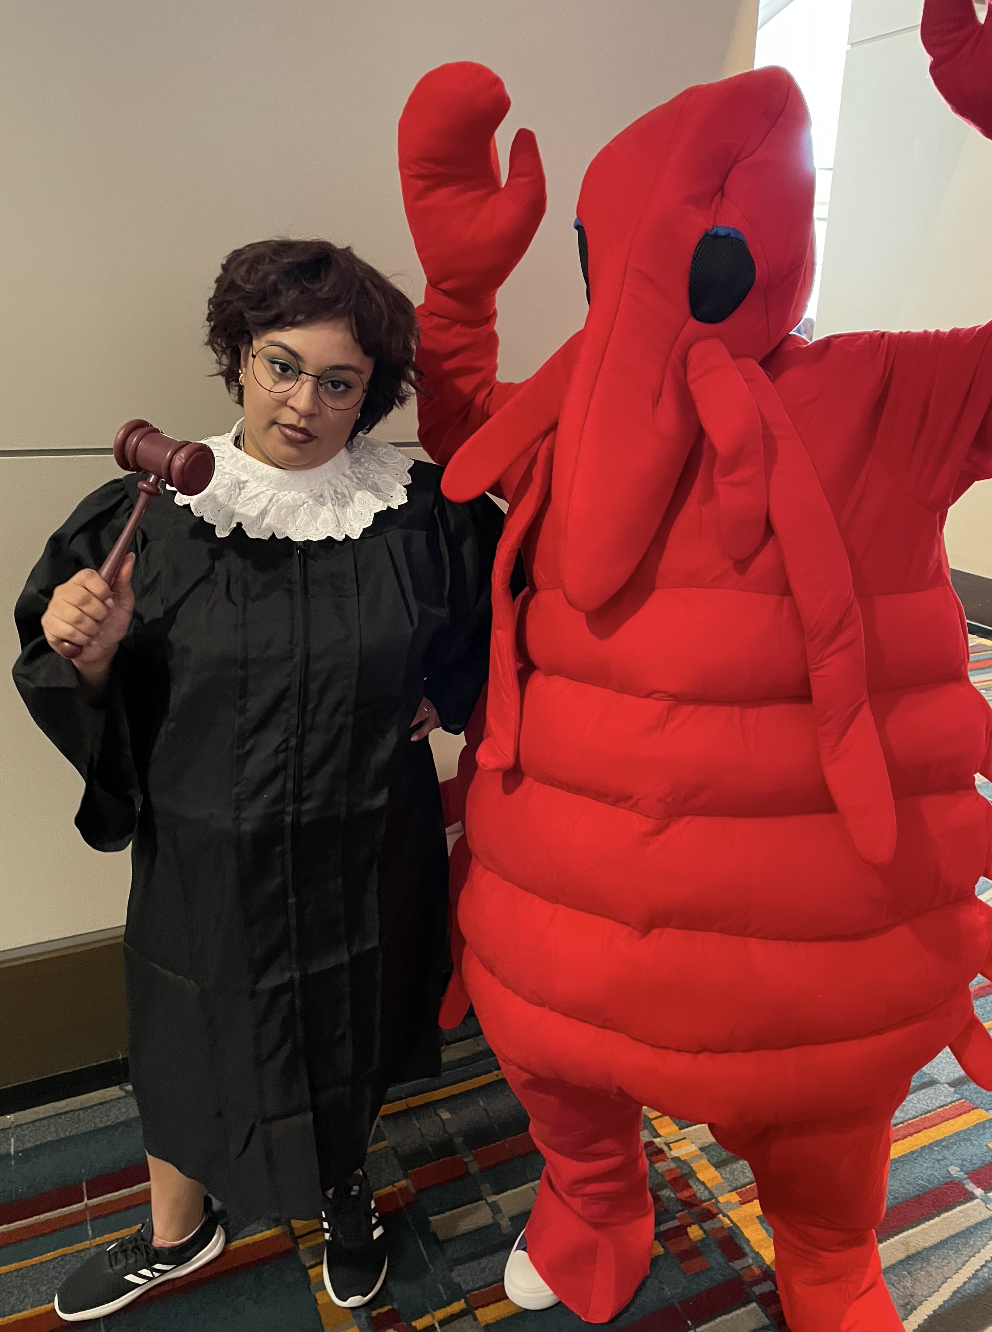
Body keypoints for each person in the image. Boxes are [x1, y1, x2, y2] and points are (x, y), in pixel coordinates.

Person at [397, 28, 992, 1332]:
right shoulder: (577, 403)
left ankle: (829, 1256)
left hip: (815, 943)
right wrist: (455, 293)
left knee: (825, 1135)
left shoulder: (890, 396)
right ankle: (595, 1196)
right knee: (565, 1080)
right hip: (566, 918)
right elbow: (465, 434)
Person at [13, 237, 502, 1323]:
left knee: (350, 1022)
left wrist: (446, 693)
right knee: (189, 1028)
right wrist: (85, 653)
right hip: (206, 847)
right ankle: (176, 1231)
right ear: (237, 353)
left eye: (340, 382)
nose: (304, 403)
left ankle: (343, 1195)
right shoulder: (150, 515)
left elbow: (488, 635)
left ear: (369, 394)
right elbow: (77, 673)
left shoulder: (418, 514)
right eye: (281, 365)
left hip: (363, 841)